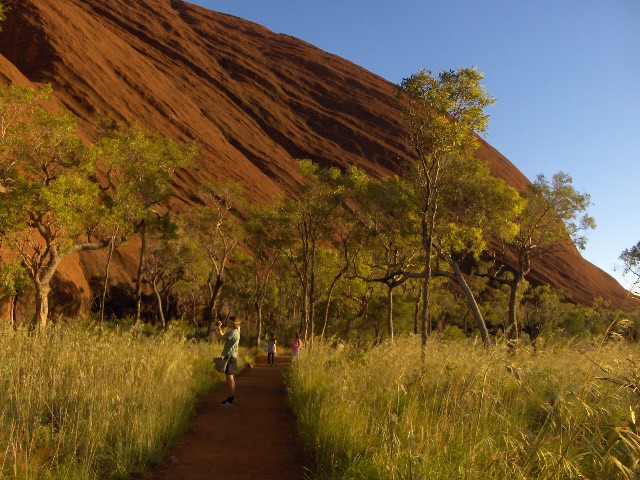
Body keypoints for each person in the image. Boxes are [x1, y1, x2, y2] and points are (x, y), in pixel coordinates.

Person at [214, 315, 241, 405]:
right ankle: (230, 397)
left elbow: (219, 338)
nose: (227, 322)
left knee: (230, 378)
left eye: (228, 321)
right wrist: (219, 328)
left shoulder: (233, 332)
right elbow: (222, 336)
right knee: (230, 377)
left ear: (232, 323)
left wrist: (214, 330)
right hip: (231, 356)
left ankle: (231, 398)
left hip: (230, 357)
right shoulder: (234, 331)